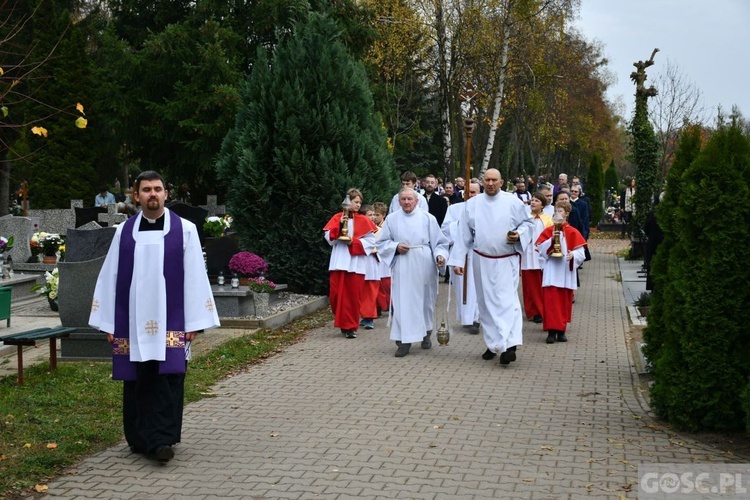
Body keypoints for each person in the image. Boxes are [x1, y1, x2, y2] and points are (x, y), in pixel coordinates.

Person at [89, 170, 220, 462]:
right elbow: (110, 276)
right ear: (137, 196)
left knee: (167, 378)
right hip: (132, 321)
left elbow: (195, 277)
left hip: (170, 321)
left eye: (157, 189)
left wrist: (194, 322)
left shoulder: (184, 229)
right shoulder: (124, 232)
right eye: (146, 189)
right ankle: (137, 438)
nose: (152, 194)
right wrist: (109, 322)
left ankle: (162, 441)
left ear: (165, 194)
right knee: (136, 378)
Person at [448, 168, 534, 365]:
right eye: (487, 180)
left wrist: (518, 234)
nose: (490, 183)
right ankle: (493, 343)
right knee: (485, 303)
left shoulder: (512, 202)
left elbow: (528, 224)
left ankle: (510, 345)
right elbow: (463, 234)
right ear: (482, 182)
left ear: (501, 182)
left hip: (506, 259)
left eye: (494, 180)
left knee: (507, 302)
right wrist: (458, 260)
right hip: (481, 259)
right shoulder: (473, 204)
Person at [376, 187, 449, 357]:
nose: (407, 202)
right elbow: (382, 243)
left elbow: (440, 243)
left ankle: (426, 333)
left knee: (425, 301)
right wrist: (395, 247)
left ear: (417, 201)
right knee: (403, 302)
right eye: (403, 199)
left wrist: (440, 256)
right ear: (399, 201)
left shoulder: (427, 218)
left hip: (424, 263)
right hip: (403, 265)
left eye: (410, 199)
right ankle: (403, 341)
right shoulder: (392, 219)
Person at [323, 188, 378, 339]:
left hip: (356, 263)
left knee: (353, 296)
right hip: (339, 261)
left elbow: (371, 242)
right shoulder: (337, 217)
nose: (358, 205)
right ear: (347, 202)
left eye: (360, 202)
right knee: (335, 295)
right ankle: (342, 322)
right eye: (355, 202)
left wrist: (353, 242)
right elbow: (328, 238)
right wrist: (338, 226)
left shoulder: (364, 220)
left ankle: (350, 327)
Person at [536, 200, 587, 344]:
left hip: (565, 271)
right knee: (551, 302)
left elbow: (580, 253)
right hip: (552, 270)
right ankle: (551, 332)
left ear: (567, 214)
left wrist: (573, 256)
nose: (557, 214)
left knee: (564, 302)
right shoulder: (548, 231)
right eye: (555, 211)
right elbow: (540, 250)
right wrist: (551, 240)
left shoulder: (573, 232)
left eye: (560, 211)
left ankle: (561, 331)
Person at [441, 181, 481, 333]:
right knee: (463, 287)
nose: (470, 195)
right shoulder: (454, 208)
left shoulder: (484, 209)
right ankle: (467, 318)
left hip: (478, 252)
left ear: (479, 193)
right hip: (460, 252)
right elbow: (445, 229)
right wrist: (461, 227)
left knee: (477, 287)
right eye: (468, 192)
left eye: (474, 192)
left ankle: (476, 318)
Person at [521, 192, 553, 324]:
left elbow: (550, 235)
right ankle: (531, 310)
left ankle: (540, 310)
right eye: (532, 200)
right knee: (528, 284)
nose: (533, 202)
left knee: (539, 284)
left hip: (540, 253)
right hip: (527, 253)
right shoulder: (525, 217)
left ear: (542, 205)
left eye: (537, 201)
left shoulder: (547, 219)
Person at [358, 204, 381, 330]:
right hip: (361, 262)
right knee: (360, 291)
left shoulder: (379, 230)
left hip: (373, 263)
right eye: (370, 215)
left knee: (371, 292)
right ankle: (362, 315)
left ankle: (369, 317)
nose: (373, 217)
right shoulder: (357, 229)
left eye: (374, 215)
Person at [371, 202, 391, 317]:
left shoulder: (386, 226)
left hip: (384, 259)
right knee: (376, 284)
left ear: (383, 215)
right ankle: (377, 306)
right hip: (374, 258)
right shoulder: (371, 227)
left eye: (377, 215)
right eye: (373, 214)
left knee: (386, 284)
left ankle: (388, 304)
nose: (375, 217)